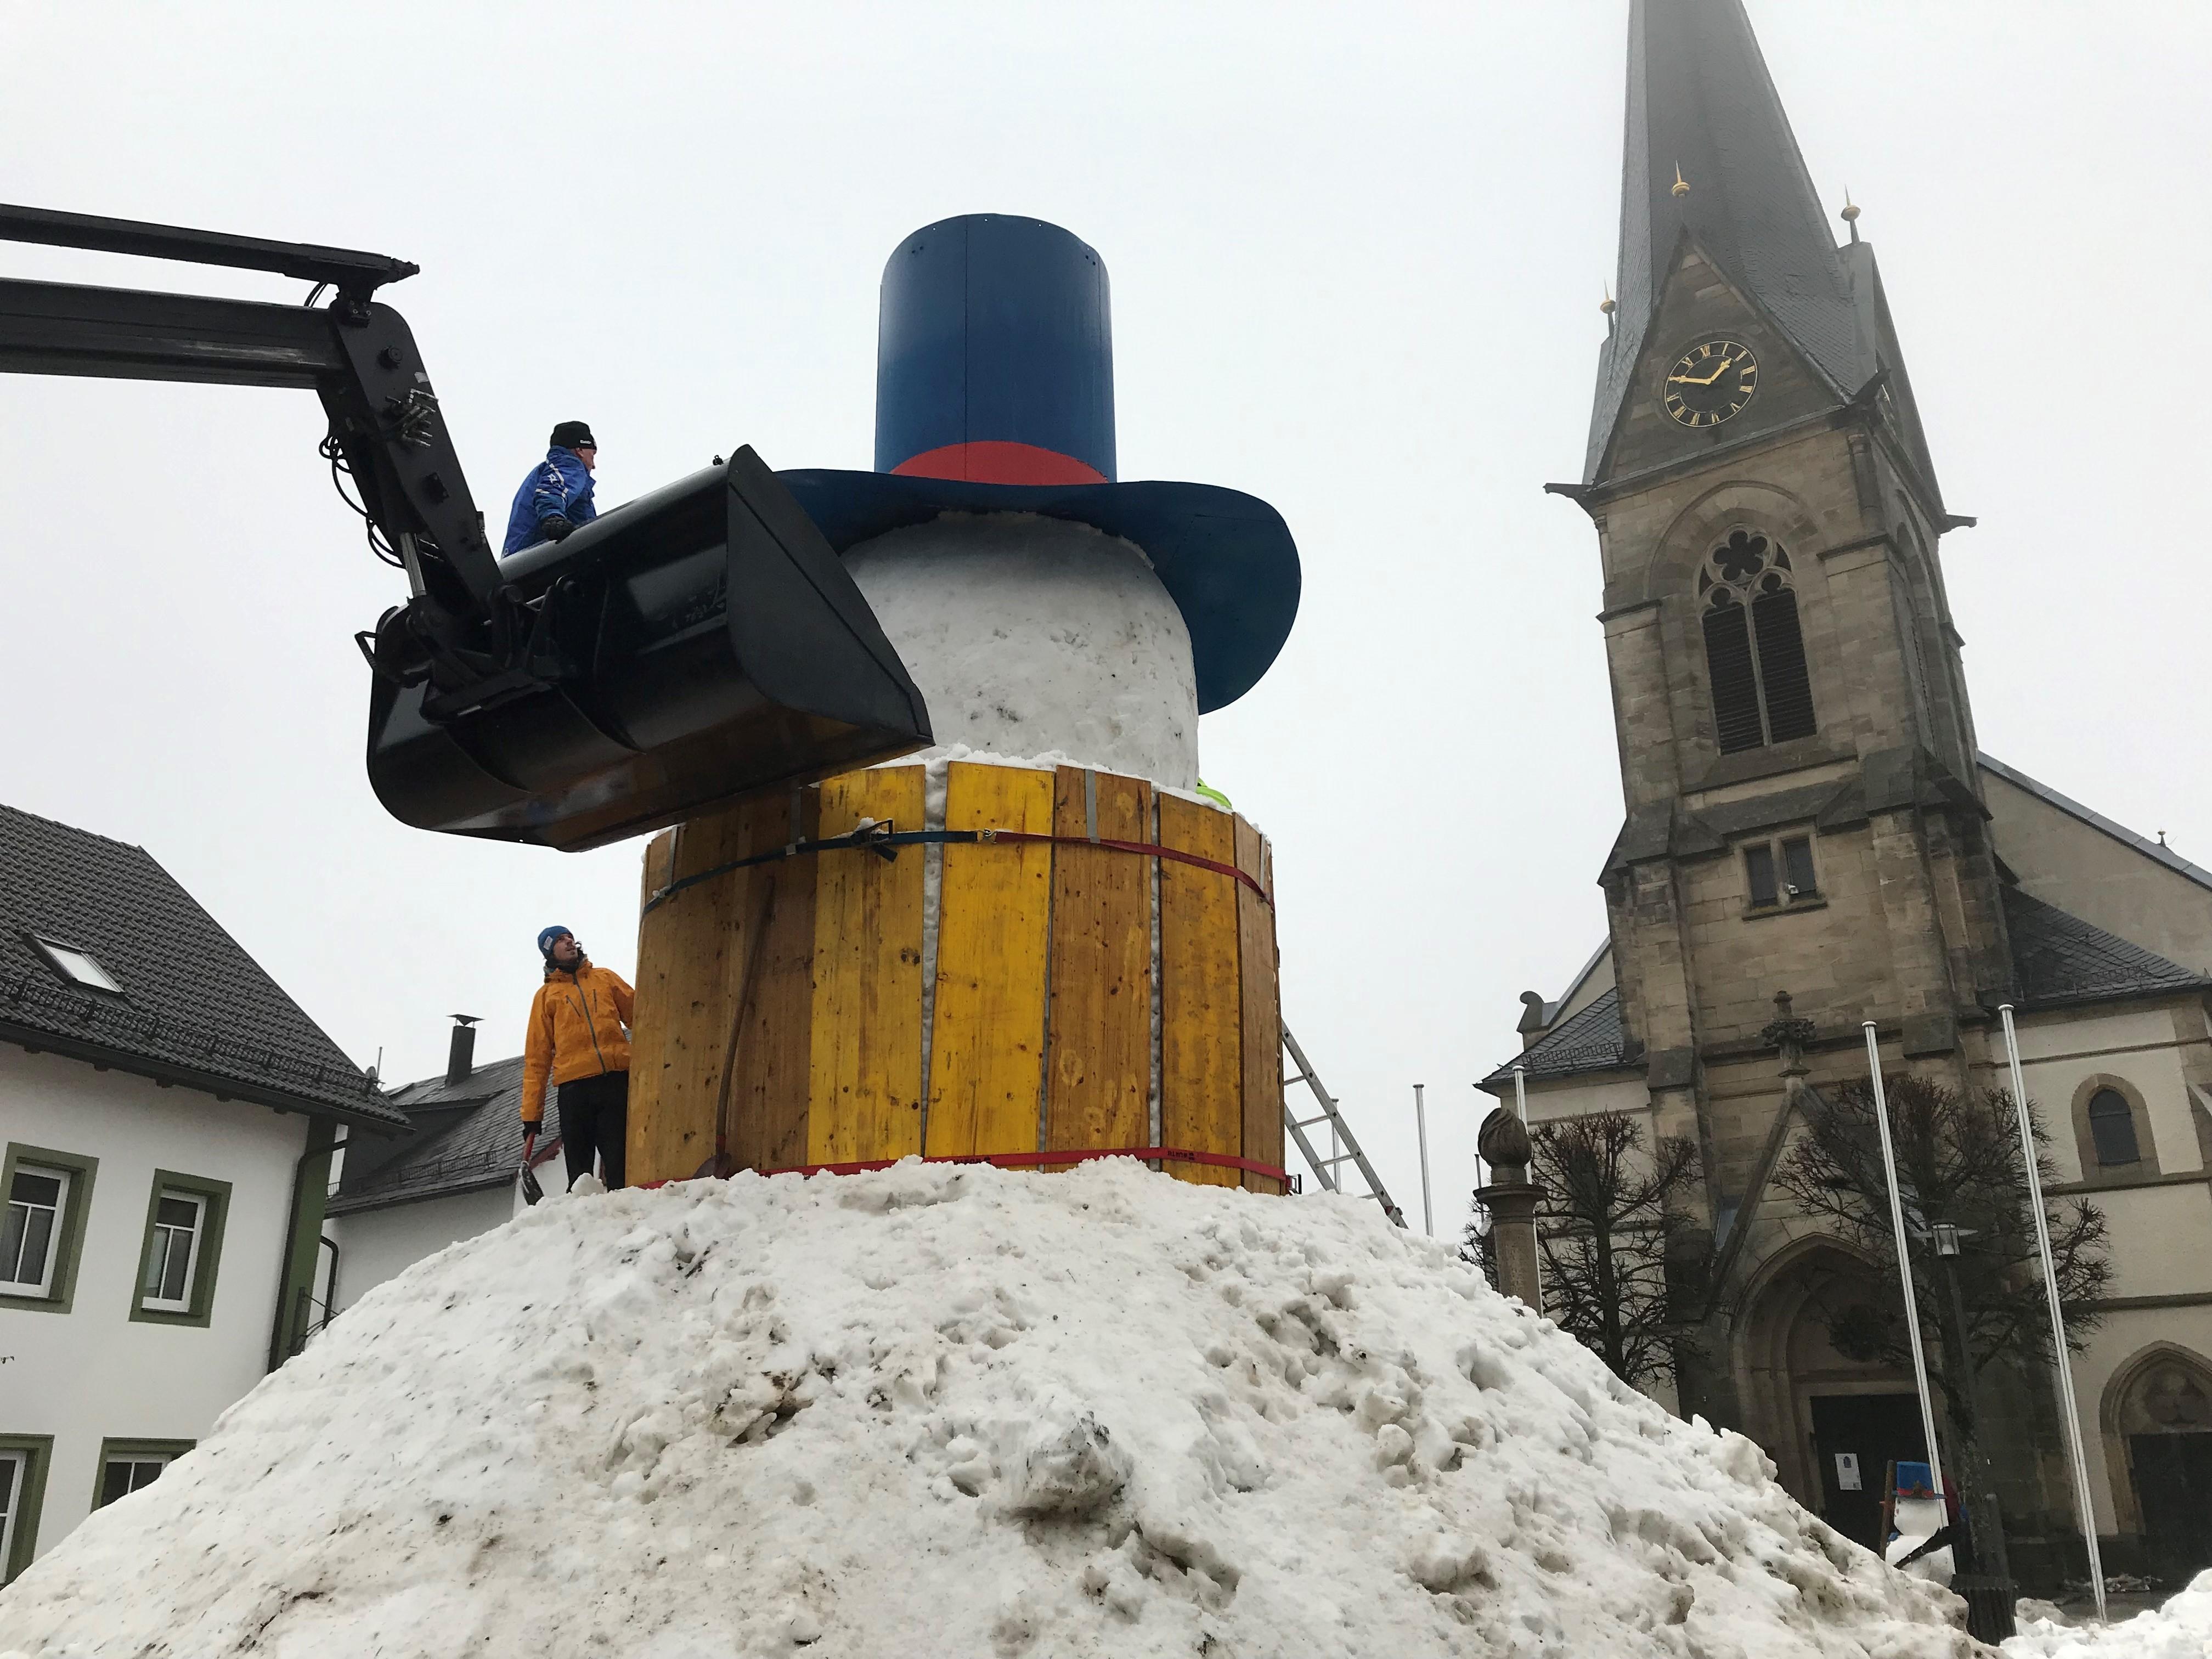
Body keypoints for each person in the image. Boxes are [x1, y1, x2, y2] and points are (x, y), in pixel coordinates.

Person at [520, 926, 635, 1190]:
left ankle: (631, 1222)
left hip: (615, 1083)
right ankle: (584, 1225)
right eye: (561, 940)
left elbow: (644, 1017)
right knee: (581, 1175)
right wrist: (532, 1116)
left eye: (570, 937)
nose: (569, 942)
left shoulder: (605, 978)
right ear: (549, 952)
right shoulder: (546, 997)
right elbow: (537, 1060)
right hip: (575, 1092)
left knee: (622, 1164)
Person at [502, 421, 599, 554]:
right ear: (580, 450)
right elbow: (553, 490)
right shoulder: (570, 465)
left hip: (517, 560)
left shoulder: (542, 472)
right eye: (592, 455)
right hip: (537, 557)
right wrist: (553, 517)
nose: (594, 466)